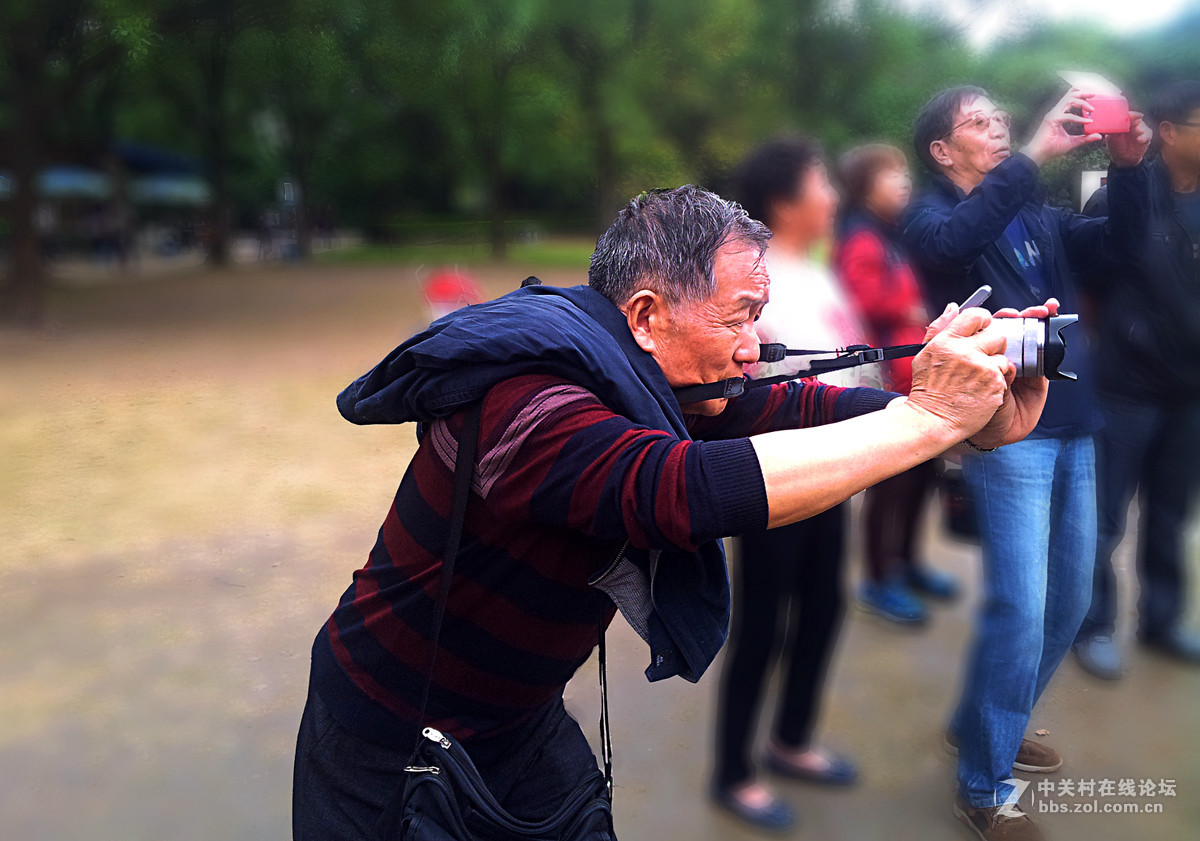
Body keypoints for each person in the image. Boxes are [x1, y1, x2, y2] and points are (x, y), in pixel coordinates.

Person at [294, 184, 1052, 841]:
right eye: (739, 317)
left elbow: (793, 406)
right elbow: (673, 490)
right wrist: (928, 423)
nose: (754, 347)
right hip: (383, 728)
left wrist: (946, 411)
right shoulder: (525, 398)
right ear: (649, 314)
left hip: (518, 721)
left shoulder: (647, 373)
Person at [902, 86, 1151, 840]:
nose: (1002, 131)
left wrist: (1132, 166)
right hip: (1006, 432)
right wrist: (1039, 153)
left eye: (1003, 121)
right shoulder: (930, 217)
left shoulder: (1039, 215)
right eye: (980, 123)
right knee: (1020, 609)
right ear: (942, 152)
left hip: (1075, 419)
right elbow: (948, 248)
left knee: (1070, 601)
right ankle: (984, 782)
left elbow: (1124, 249)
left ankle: (983, 723)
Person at [709, 137, 875, 831]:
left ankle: (790, 739)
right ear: (785, 201)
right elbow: (742, 385)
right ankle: (733, 771)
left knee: (824, 607)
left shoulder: (816, 270)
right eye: (821, 184)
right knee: (762, 621)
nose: (833, 196)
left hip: (833, 465)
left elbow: (850, 362)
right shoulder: (751, 279)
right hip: (774, 471)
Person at [1073, 79, 1200, 678]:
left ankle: (1162, 620)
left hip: (1190, 390)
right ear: (1170, 133)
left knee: (1171, 513)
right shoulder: (1122, 198)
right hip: (1126, 387)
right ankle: (1092, 623)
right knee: (1105, 515)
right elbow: (1090, 284)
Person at [835, 143, 957, 627]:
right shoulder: (860, 237)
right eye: (892, 176)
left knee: (921, 480)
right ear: (865, 186)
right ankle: (879, 579)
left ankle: (907, 565)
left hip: (915, 382)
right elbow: (858, 297)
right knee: (890, 486)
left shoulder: (889, 235)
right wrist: (907, 309)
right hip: (888, 385)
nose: (904, 184)